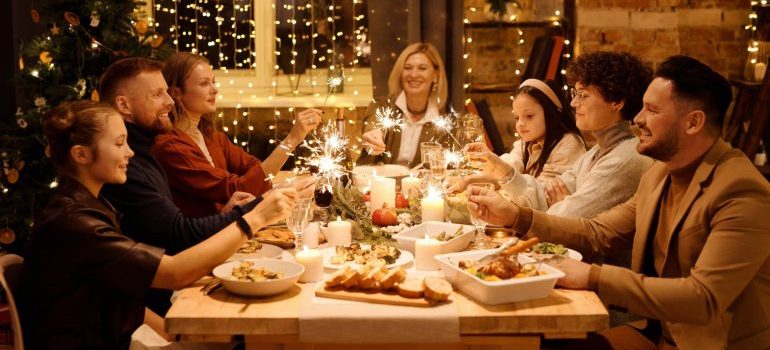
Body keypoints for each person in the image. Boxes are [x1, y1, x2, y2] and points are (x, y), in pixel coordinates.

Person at [467, 55, 770, 349]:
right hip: (654, 333)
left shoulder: (742, 190)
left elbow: (702, 298)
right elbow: (597, 232)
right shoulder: (660, 174)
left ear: (693, 122)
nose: (638, 119)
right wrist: (513, 215)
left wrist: (592, 276)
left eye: (651, 110)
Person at [18, 100, 296, 350]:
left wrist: (175, 336)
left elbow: (123, 298)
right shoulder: (75, 222)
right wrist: (255, 217)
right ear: (81, 154)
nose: (129, 153)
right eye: (118, 144)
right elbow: (174, 273)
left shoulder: (92, 206)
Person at [97, 57, 311, 314]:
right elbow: (179, 238)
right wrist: (256, 212)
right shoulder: (158, 151)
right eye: (158, 94)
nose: (168, 101)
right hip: (172, 294)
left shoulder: (197, 139)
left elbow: (256, 173)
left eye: (166, 92)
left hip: (190, 272)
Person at [466, 51, 654, 220]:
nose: (573, 103)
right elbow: (542, 195)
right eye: (575, 93)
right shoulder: (596, 152)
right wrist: (501, 170)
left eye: (583, 95)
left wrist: (557, 205)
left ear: (617, 101)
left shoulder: (624, 158)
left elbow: (565, 219)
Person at [152, 52, 323, 217]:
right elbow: (237, 187)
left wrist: (281, 186)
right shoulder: (171, 147)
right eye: (204, 84)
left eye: (213, 82)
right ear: (176, 93)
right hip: (206, 239)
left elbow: (255, 169)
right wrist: (293, 139)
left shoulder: (212, 137)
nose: (215, 90)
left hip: (231, 226)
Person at [446, 78, 585, 193]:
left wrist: (495, 164)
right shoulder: (526, 143)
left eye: (529, 116)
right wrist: (467, 179)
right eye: (517, 117)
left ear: (552, 113)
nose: (520, 124)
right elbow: (508, 170)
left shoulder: (568, 143)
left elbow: (541, 195)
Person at [356, 42, 450, 168]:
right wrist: (374, 134)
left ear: (435, 75)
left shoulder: (443, 124)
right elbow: (374, 121)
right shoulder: (382, 106)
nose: (414, 74)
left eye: (422, 68)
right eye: (408, 68)